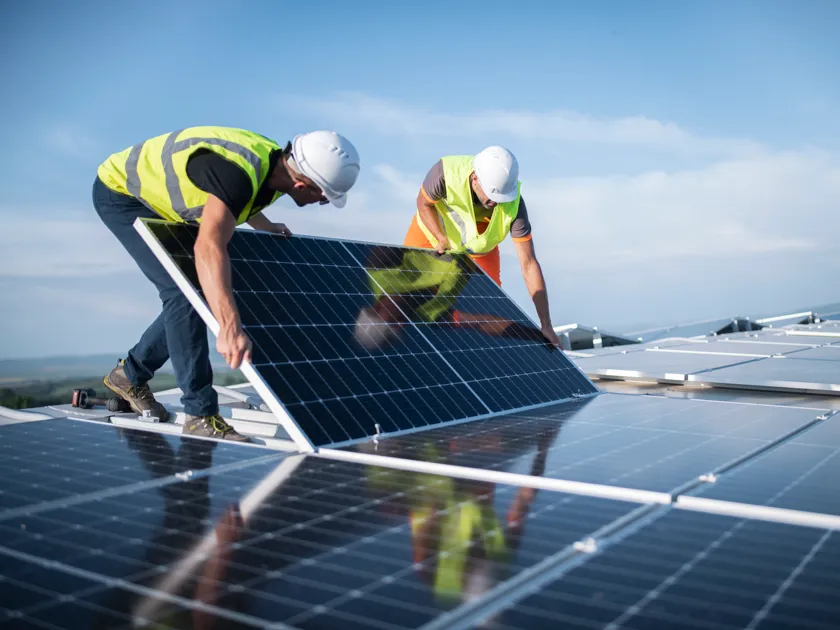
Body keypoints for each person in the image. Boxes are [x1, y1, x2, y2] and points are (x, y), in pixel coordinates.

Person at [94, 126, 361, 441]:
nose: (324, 202)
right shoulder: (238, 173)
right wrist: (229, 327)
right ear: (302, 182)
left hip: (163, 203)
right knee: (184, 293)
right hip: (123, 194)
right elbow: (209, 245)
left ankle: (129, 375)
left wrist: (264, 224)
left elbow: (237, 198)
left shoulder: (278, 167)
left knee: (206, 290)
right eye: (324, 194)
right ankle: (200, 414)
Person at [403, 146, 562, 348]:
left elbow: (529, 264)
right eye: (491, 195)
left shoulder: (515, 206)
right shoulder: (445, 172)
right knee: (408, 297)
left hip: (480, 250)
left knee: (488, 307)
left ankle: (467, 354)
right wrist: (440, 238)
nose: (495, 203)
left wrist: (546, 324)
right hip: (431, 237)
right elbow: (423, 203)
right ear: (475, 178)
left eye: (500, 198)